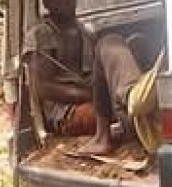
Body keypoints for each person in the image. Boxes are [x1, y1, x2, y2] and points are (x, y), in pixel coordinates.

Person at [23, 0, 152, 153]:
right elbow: (43, 88)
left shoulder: (86, 32)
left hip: (94, 97)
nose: (64, 3)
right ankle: (128, 118)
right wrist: (90, 95)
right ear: (46, 4)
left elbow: (98, 75)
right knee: (117, 113)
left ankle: (132, 103)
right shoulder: (41, 34)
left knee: (123, 43)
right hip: (66, 111)